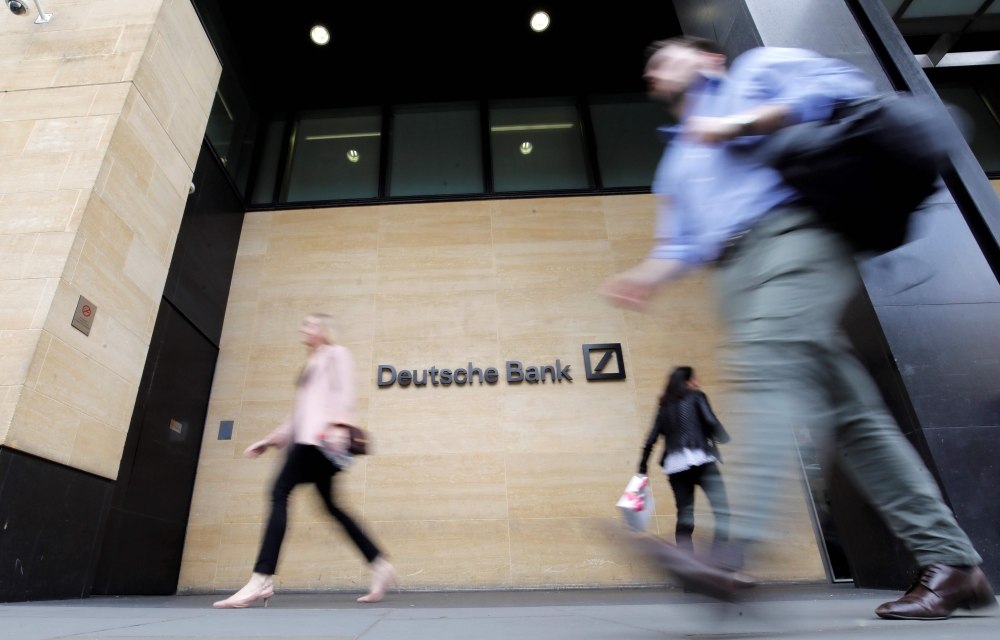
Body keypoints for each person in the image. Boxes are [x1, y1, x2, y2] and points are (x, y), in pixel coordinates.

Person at [601, 36, 994, 619]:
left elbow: (840, 90)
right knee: (854, 418)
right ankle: (954, 564)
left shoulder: (756, 72)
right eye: (650, 63)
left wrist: (738, 123)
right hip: (736, 275)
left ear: (709, 59)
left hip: (794, 237)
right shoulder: (677, 158)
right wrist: (645, 276)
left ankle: (730, 556)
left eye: (667, 55)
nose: (654, 67)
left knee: (765, 364)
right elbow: (683, 243)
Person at [214, 314, 397, 608]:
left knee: (279, 492)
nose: (305, 328)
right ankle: (379, 563)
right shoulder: (312, 362)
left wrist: (339, 428)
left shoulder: (337, 353)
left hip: (319, 441)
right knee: (332, 506)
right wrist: (271, 439)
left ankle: (261, 578)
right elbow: (300, 412)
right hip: (310, 440)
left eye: (311, 324)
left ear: (324, 330)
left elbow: (346, 393)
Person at [639, 367, 730, 554]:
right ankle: (718, 556)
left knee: (685, 515)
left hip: (676, 467)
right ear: (687, 381)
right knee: (722, 511)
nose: (697, 383)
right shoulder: (697, 396)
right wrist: (724, 437)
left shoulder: (664, 407)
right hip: (701, 461)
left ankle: (686, 561)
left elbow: (650, 440)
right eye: (694, 379)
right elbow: (711, 421)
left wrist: (642, 467)